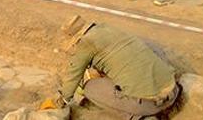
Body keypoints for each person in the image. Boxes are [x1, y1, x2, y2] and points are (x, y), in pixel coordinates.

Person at [44, 14, 180, 120]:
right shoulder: (109, 29)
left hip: (148, 105)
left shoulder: (86, 43)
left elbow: (73, 76)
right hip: (173, 91)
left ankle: (138, 117)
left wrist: (60, 101)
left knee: (90, 88)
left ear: (77, 38)